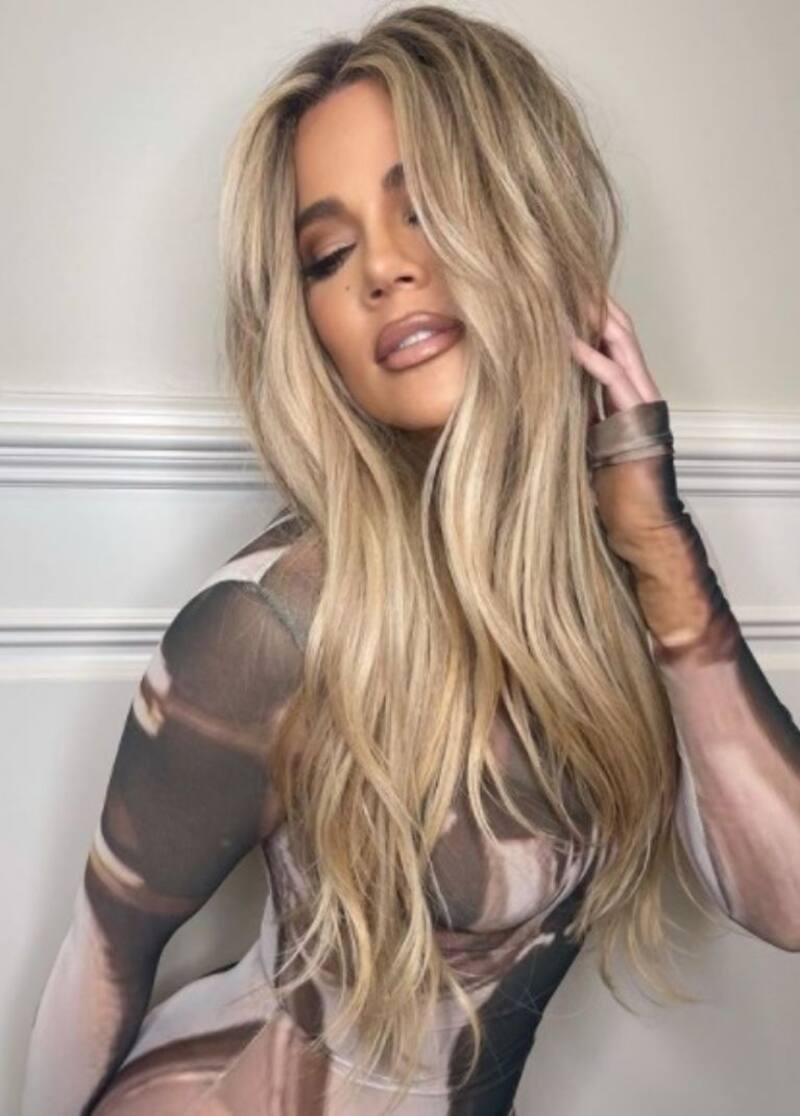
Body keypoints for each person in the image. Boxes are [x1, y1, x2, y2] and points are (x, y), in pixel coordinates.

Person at [20, 4, 800, 1115]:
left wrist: (658, 546)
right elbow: (101, 954)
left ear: (527, 218)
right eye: (328, 255)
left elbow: (785, 902)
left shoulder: (609, 584)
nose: (383, 270)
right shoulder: (267, 627)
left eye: (424, 207)